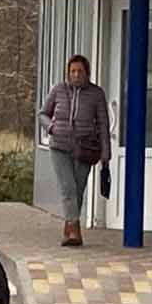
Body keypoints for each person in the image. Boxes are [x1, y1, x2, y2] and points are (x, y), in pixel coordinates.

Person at [39, 54, 111, 247]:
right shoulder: (58, 89)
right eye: (73, 71)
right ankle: (76, 230)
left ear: (87, 72)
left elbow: (103, 125)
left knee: (78, 190)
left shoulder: (96, 94)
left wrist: (106, 155)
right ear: (68, 73)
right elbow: (43, 114)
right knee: (68, 188)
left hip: (85, 148)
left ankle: (68, 228)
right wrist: (51, 128)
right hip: (59, 147)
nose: (76, 75)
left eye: (80, 71)